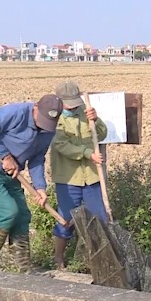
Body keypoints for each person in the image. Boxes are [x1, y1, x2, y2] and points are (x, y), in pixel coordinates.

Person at [0, 94, 63, 271]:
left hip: (12, 174)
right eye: (41, 120)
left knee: (22, 215)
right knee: (8, 212)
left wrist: (40, 188)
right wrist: (5, 156)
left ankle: (22, 266)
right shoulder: (14, 113)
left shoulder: (48, 131)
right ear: (35, 108)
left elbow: (37, 159)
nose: (42, 126)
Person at [51, 81, 108, 270]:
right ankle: (58, 259)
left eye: (75, 103)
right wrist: (87, 153)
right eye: (69, 104)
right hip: (69, 178)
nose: (73, 107)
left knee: (100, 219)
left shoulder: (86, 110)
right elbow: (61, 145)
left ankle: (101, 261)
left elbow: (102, 134)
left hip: (91, 177)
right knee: (65, 220)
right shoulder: (53, 117)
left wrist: (96, 120)